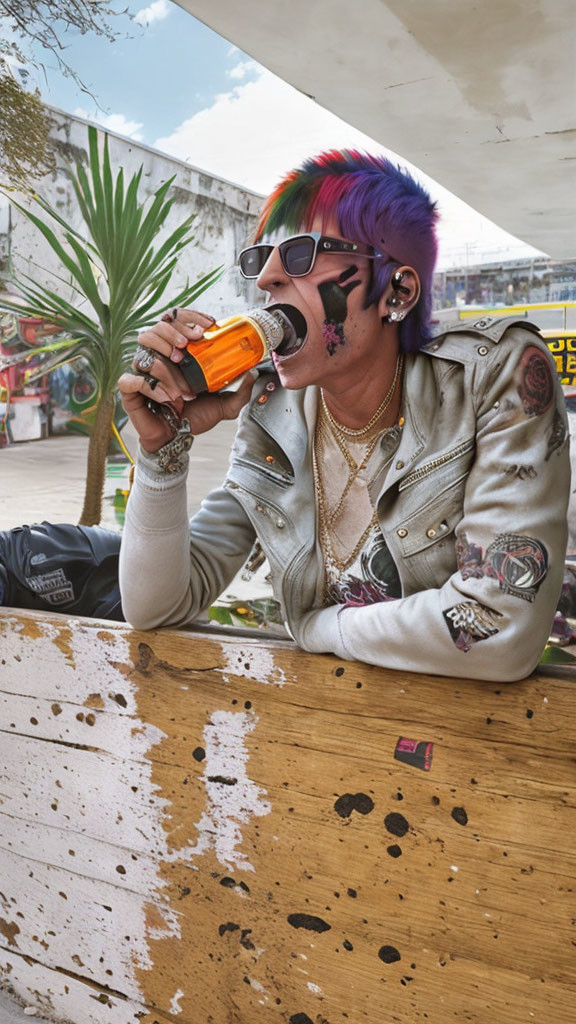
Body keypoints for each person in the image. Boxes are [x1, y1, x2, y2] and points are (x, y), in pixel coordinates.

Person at [118, 150, 570, 681]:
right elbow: (155, 608)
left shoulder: (494, 377)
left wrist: (319, 629)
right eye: (261, 257)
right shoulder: (273, 409)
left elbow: (498, 627)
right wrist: (161, 453)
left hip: (471, 742)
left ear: (396, 291)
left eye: (302, 254)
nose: (265, 280)